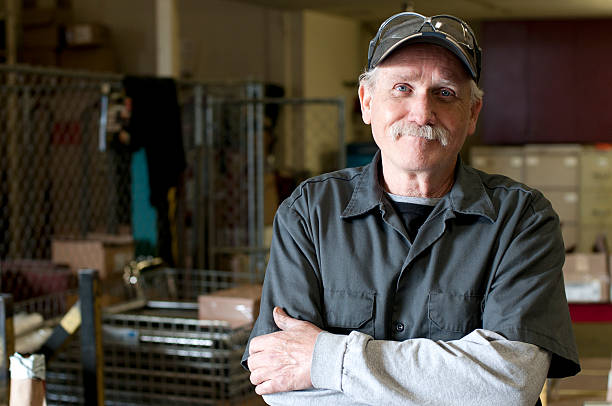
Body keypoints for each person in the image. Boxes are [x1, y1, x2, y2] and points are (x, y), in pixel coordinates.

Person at [242, 12, 580, 405]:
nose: (421, 113)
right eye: (402, 88)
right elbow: (282, 383)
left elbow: (511, 382)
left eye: (445, 93)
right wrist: (452, 384)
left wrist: (325, 358)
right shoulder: (309, 213)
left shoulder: (522, 219)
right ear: (367, 103)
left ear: (472, 114)